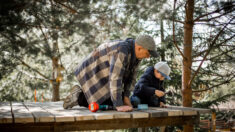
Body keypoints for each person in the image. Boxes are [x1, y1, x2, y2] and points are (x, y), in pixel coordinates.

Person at [63, 34, 159, 112]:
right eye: (148, 53)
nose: (148, 57)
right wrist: (118, 105)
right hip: (91, 70)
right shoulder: (122, 50)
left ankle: (82, 96)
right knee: (109, 103)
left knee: (118, 100)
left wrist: (125, 97)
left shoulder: (137, 57)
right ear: (139, 48)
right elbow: (116, 77)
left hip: (105, 73)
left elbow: (132, 78)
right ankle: (77, 97)